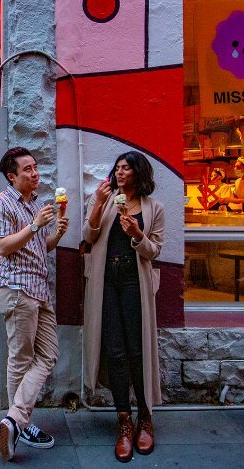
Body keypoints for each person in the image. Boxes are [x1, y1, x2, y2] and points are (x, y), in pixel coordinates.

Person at [82, 151, 164, 463]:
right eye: (117, 168)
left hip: (133, 282)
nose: (119, 173)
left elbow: (154, 249)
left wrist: (137, 234)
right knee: (114, 351)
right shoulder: (101, 199)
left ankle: (145, 417)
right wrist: (99, 205)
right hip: (106, 282)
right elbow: (87, 236)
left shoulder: (153, 208)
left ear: (139, 173)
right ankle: (124, 421)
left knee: (137, 351)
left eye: (126, 168)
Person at [0, 147, 69, 461]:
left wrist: (56, 235)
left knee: (48, 355)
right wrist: (35, 226)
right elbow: (4, 247)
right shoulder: (2, 202)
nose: (35, 174)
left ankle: (14, 420)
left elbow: (39, 249)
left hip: (39, 290)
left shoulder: (35, 203)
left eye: (35, 168)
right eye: (27, 170)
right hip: (17, 290)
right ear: (12, 176)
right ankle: (21, 422)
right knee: (20, 360)